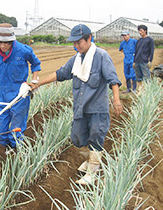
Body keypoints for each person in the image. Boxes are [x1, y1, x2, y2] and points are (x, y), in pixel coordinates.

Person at [30, 24, 123, 185]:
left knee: (95, 138)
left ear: (89, 39)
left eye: (79, 42)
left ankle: (92, 173)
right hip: (80, 108)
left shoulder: (101, 56)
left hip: (96, 109)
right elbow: (60, 73)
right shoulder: (76, 59)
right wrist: (39, 83)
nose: (76, 45)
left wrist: (116, 100)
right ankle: (91, 161)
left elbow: (113, 79)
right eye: (74, 42)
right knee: (78, 139)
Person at [0, 23, 41, 149]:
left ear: (12, 41)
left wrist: (33, 81)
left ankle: (15, 149)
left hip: (19, 91)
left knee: (17, 124)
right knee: (0, 122)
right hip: (1, 91)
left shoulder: (23, 50)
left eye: (6, 42)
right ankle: (1, 150)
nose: (2, 45)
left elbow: (35, 64)